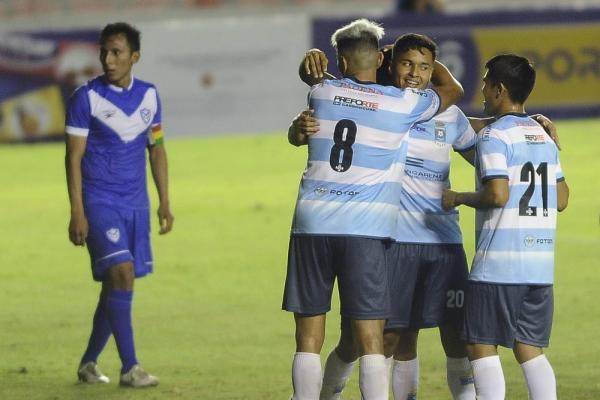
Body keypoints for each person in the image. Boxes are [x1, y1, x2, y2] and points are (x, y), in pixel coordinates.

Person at [292, 35, 559, 400]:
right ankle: (330, 393)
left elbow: (484, 139)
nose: (415, 74)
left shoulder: (445, 114)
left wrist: (528, 125)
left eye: (424, 68)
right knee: (376, 340)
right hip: (392, 241)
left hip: (443, 242)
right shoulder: (386, 104)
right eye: (406, 64)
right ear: (388, 63)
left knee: (459, 337)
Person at [282, 19, 463, 400]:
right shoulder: (402, 105)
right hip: (365, 229)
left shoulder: (321, 93)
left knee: (308, 338)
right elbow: (451, 89)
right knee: (371, 340)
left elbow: (314, 87)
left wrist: (309, 64)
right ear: (383, 57)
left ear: (339, 60)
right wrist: (406, 51)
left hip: (311, 224)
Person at [441, 54, 569, 400]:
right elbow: (561, 198)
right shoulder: (543, 136)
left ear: (499, 90)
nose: (481, 89)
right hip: (539, 266)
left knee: (479, 345)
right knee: (529, 349)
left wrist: (457, 198)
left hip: (500, 265)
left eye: (485, 83)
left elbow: (497, 194)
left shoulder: (494, 138)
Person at [65, 22, 174, 388]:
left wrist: (164, 201)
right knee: (122, 275)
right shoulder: (86, 98)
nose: (108, 60)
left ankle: (88, 363)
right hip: (99, 202)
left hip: (136, 205)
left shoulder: (149, 96)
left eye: (116, 53)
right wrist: (77, 211)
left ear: (134, 57)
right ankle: (131, 368)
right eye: (104, 52)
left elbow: (156, 148)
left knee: (116, 287)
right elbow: (73, 158)